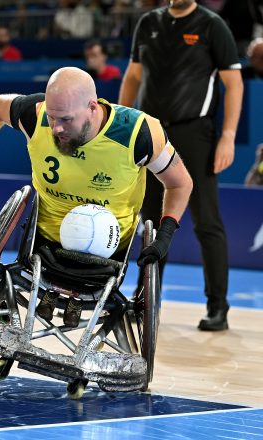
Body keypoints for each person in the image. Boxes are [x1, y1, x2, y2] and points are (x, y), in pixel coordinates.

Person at [0, 66, 193, 328]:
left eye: (66, 119)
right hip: (44, 245)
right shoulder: (36, 116)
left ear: (92, 107)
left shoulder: (138, 133)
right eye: (52, 117)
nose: (57, 128)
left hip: (107, 253)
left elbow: (180, 184)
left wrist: (165, 236)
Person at [118, 0, 244, 331]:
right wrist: (119, 126)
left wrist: (228, 136)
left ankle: (218, 307)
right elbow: (133, 76)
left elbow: (234, 83)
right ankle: (146, 300)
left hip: (195, 134)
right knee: (150, 221)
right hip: (151, 132)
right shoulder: (147, 23)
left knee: (206, 222)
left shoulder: (212, 25)